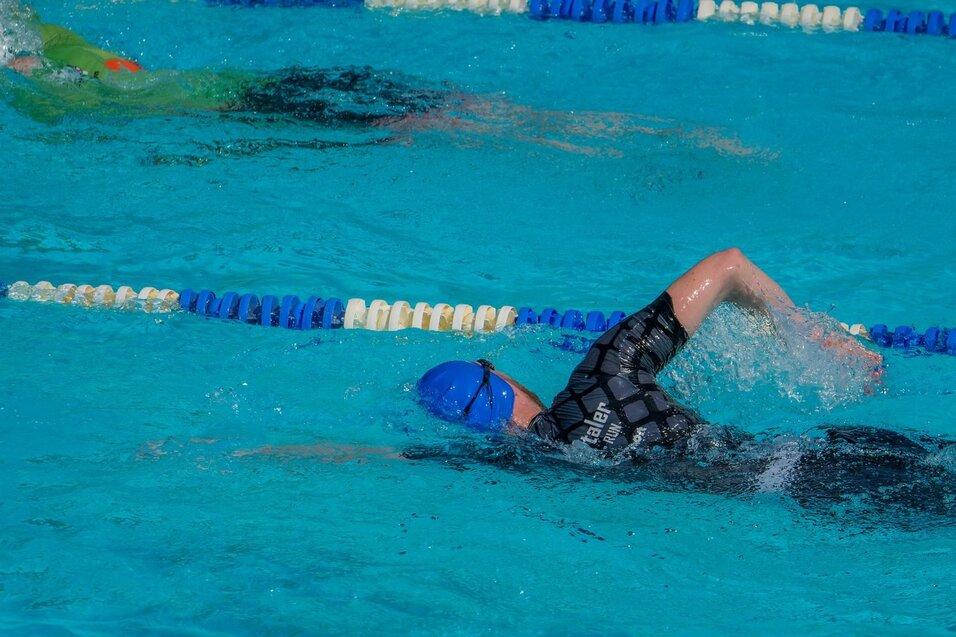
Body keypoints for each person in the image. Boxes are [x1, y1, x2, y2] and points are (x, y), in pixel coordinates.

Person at [0, 3, 761, 157]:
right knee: (458, 106)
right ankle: (620, 132)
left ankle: (590, 147)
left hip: (261, 103)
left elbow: (59, 108)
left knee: (436, 123)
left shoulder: (45, 80)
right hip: (274, 78)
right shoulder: (51, 39)